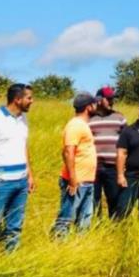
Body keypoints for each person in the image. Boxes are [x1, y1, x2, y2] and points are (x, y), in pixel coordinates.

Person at [51, 92, 98, 238]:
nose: (96, 106)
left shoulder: (82, 125)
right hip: (76, 181)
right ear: (88, 107)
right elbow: (67, 152)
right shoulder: (75, 125)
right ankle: (58, 243)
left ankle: (79, 245)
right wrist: (72, 179)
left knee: (85, 217)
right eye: (94, 104)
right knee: (67, 216)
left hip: (87, 181)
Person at [0, 84, 35, 251]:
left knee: (15, 223)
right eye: (29, 98)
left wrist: (30, 174)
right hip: (0, 182)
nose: (32, 101)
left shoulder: (22, 119)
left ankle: (12, 255)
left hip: (21, 181)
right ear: (17, 99)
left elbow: (22, 146)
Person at [89, 86, 126, 218]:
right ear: (99, 100)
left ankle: (114, 229)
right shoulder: (89, 119)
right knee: (94, 201)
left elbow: (126, 142)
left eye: (112, 99)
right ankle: (96, 228)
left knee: (115, 201)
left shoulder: (119, 118)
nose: (111, 101)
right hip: (94, 167)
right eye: (108, 99)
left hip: (113, 167)